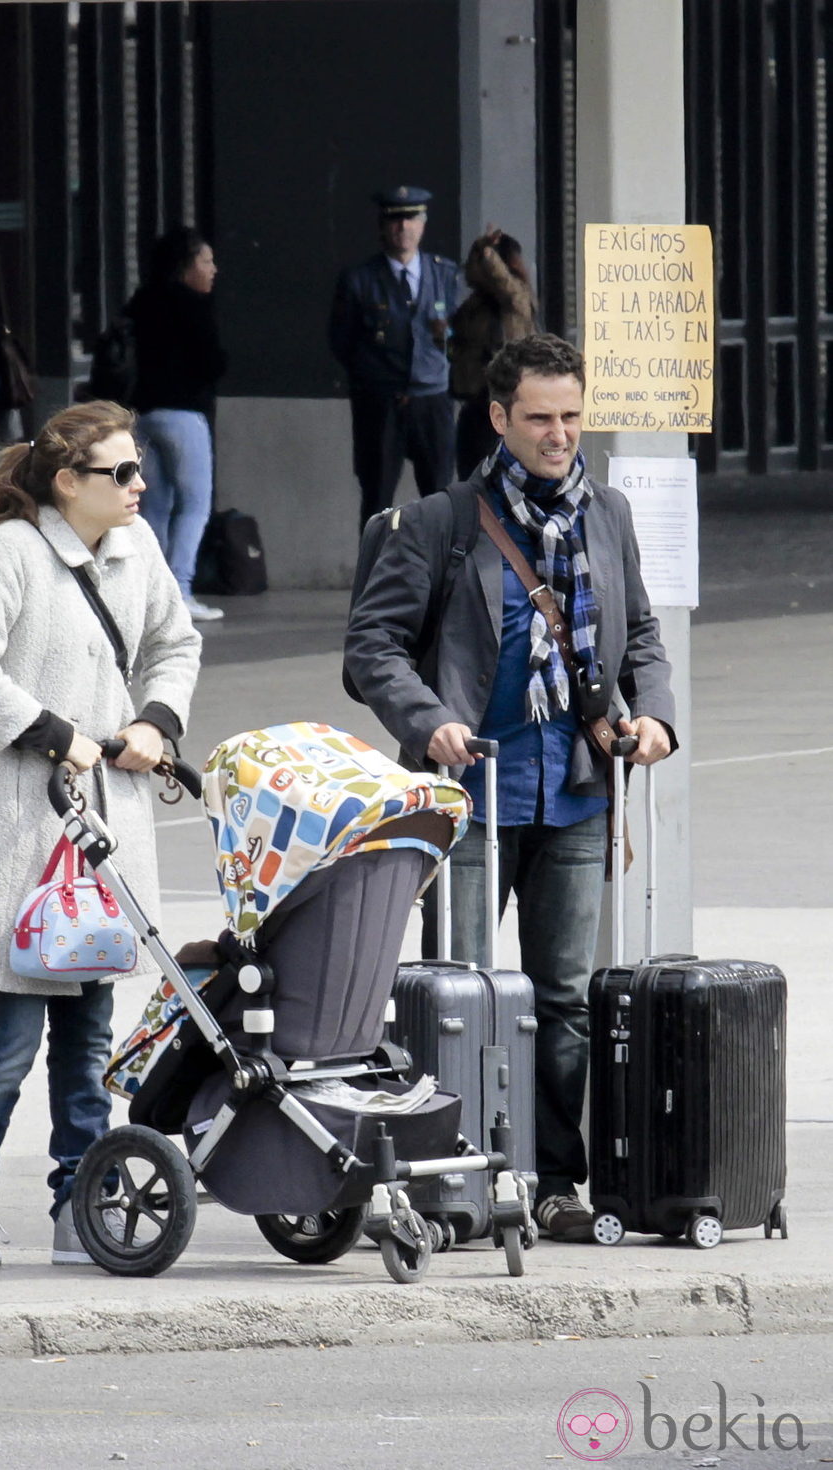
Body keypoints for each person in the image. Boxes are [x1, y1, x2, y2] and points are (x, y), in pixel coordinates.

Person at [344, 334, 676, 1242]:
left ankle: (556, 1182)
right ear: (499, 418)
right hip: (472, 797)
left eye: (571, 416)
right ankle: (446, 1179)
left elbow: (639, 633)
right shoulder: (445, 520)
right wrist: (426, 721)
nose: (560, 433)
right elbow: (371, 648)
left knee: (563, 999)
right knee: (460, 990)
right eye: (540, 418)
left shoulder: (605, 512)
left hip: (574, 794)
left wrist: (655, 717)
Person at [0, 400, 202, 1268]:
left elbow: (175, 642)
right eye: (120, 472)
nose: (139, 485)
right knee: (10, 1038)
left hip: (102, 836)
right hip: (21, 830)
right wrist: (58, 734)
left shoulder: (138, 548)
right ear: (66, 482)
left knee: (89, 1039)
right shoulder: (15, 553)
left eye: (138, 469)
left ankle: (78, 1199)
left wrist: (155, 722)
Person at [329, 185, 458, 529]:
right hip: (380, 402)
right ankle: (374, 579)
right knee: (377, 499)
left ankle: (440, 579)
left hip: (432, 400)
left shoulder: (444, 273)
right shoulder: (360, 279)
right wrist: (373, 377)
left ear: (424, 223)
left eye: (412, 219)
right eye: (395, 220)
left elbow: (461, 337)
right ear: (382, 226)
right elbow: (342, 341)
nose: (404, 228)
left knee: (440, 498)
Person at [129, 225, 228, 622]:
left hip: (143, 414)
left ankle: (148, 593)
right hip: (185, 415)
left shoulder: (141, 302)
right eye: (206, 261)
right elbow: (213, 362)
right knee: (194, 505)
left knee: (152, 505)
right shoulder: (193, 305)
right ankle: (179, 590)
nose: (213, 269)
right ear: (187, 267)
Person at [450, 228, 537, 478]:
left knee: (497, 477)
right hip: (474, 400)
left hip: (503, 401)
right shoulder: (475, 305)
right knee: (470, 476)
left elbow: (504, 284)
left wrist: (488, 252)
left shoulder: (517, 298)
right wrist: (480, 247)